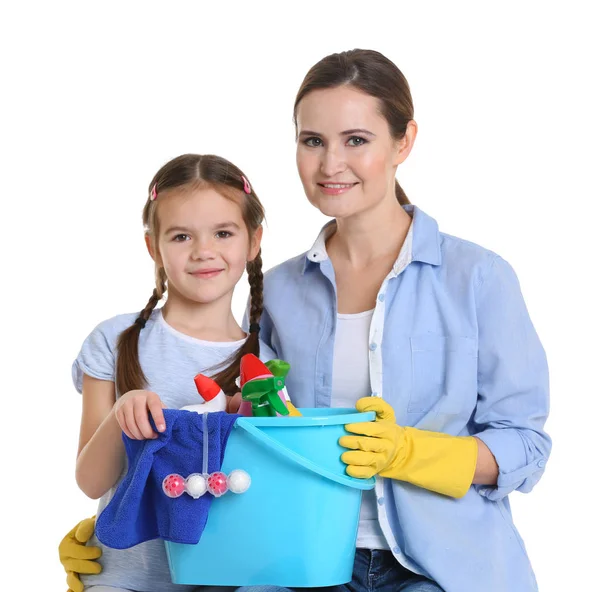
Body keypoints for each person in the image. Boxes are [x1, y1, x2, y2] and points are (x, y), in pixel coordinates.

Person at [60, 50, 551, 592]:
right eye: (312, 140)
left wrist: (411, 453)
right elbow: (250, 436)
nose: (330, 164)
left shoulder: (478, 278)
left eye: (356, 140)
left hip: (444, 566)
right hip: (300, 558)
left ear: (404, 141)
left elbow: (526, 448)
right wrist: (128, 530)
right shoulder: (279, 293)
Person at [62, 153, 273, 592]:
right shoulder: (116, 340)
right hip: (121, 579)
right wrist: (122, 413)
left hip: (225, 582)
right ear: (152, 246)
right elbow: (90, 481)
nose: (203, 252)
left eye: (223, 232)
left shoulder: (264, 367)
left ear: (253, 241)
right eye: (180, 236)